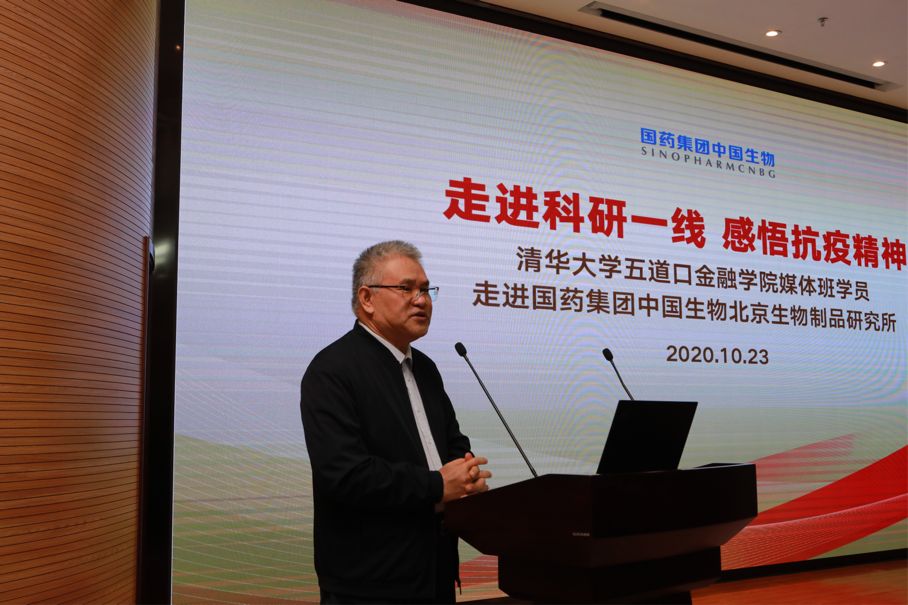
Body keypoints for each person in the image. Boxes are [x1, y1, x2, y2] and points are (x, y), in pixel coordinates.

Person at [300, 240, 491, 605]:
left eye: (426, 290)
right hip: (370, 584)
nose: (422, 300)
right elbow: (344, 474)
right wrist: (437, 485)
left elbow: (451, 442)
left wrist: (465, 474)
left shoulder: (426, 368)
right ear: (367, 298)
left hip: (434, 570)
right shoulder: (332, 370)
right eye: (406, 289)